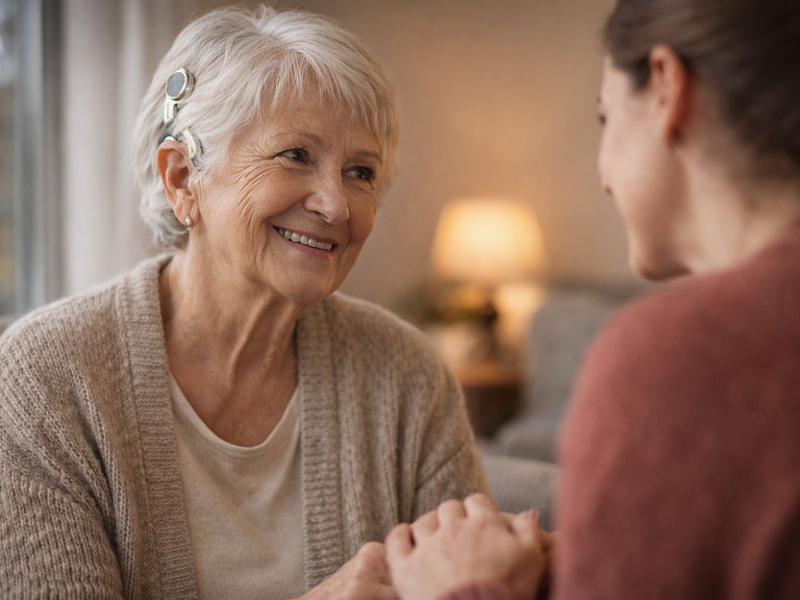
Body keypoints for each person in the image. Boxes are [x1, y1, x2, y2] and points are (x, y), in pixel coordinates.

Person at [0, 6, 487, 598]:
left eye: (360, 171)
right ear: (183, 178)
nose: (336, 205)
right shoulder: (46, 378)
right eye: (295, 155)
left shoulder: (410, 376)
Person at [385, 0, 800, 598]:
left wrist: (465, 587)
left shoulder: (672, 357)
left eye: (606, 117)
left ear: (666, 86)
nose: (603, 171)